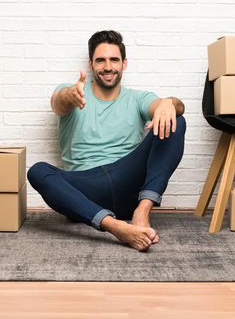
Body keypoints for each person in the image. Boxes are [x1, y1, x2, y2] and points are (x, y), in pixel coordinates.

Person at [28, 30, 185, 251]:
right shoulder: (75, 93)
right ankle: (117, 227)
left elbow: (170, 107)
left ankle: (142, 212)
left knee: (176, 120)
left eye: (114, 60)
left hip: (128, 184)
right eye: (100, 60)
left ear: (124, 64)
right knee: (38, 171)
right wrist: (69, 95)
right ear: (91, 65)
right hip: (85, 192)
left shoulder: (136, 98)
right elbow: (58, 102)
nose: (108, 66)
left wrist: (169, 102)